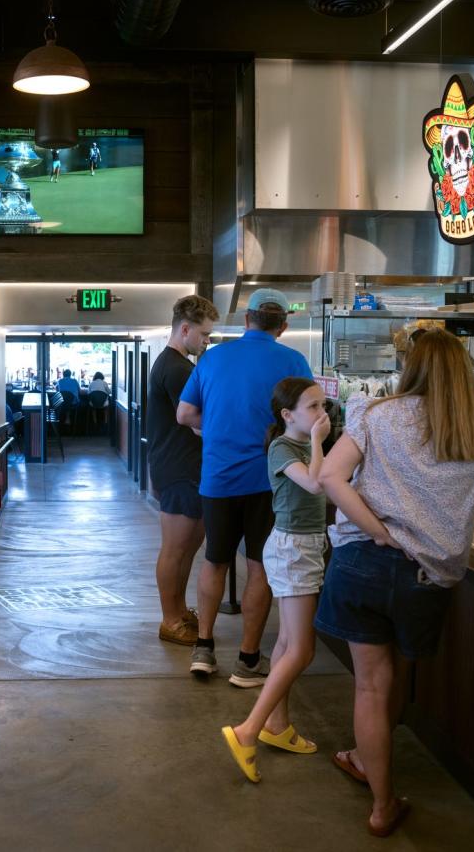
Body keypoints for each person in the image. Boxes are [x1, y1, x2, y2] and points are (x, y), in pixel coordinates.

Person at [315, 329, 474, 838]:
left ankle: (381, 800)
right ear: (464, 373)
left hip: (363, 563)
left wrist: (377, 531)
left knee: (369, 684)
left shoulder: (377, 414)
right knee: (397, 676)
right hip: (426, 577)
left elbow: (330, 478)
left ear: (411, 369)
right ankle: (372, 760)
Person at [177, 288, 312, 686]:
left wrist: (214, 424)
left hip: (217, 478)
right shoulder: (293, 362)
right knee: (259, 566)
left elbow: (184, 414)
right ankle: (248, 660)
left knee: (214, 560)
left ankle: (203, 649)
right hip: (269, 482)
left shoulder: (212, 357)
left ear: (246, 320)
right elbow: (307, 422)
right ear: (283, 326)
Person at [221, 377, 330, 783]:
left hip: (303, 546)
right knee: (301, 651)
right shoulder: (284, 447)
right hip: (294, 549)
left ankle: (277, 727)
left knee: (286, 644)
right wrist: (320, 442)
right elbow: (317, 483)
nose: (323, 415)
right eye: (313, 407)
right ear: (288, 415)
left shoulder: (303, 445)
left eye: (323, 406)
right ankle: (248, 730)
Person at [147, 294, 218, 645]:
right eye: (203, 335)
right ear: (185, 329)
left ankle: (178, 610)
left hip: (186, 467)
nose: (206, 342)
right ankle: (170, 619)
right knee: (176, 548)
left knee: (188, 546)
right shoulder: (176, 368)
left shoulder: (179, 364)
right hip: (179, 468)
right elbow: (195, 423)